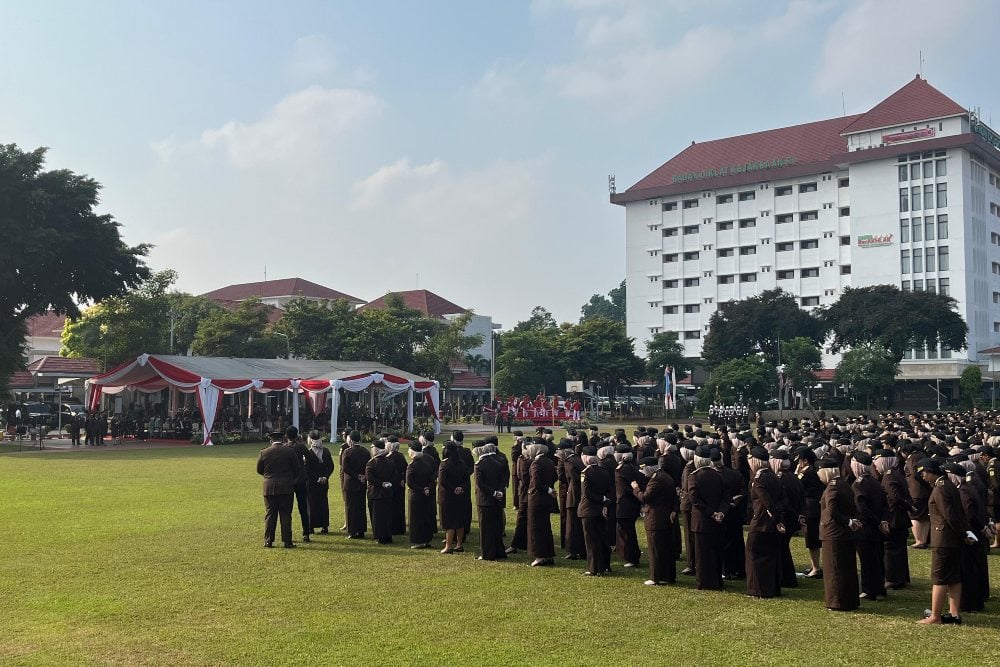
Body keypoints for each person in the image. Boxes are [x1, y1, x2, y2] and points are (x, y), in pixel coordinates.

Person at [917, 458, 976, 625]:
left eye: (924, 472)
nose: (923, 476)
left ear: (930, 472)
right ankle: (954, 613)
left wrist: (963, 534)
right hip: (952, 539)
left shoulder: (940, 489)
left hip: (943, 539)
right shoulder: (947, 485)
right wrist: (964, 534)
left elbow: (949, 515)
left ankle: (935, 615)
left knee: (940, 578)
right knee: (954, 577)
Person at [818, 457, 862, 611]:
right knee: (846, 567)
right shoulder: (844, 484)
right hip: (844, 533)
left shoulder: (832, 487)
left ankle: (837, 601)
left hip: (834, 532)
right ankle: (849, 599)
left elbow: (832, 511)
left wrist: (848, 522)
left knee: (834, 568)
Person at [745, 447, 785, 599]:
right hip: (772, 523)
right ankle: (772, 588)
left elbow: (766, 501)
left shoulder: (759, 478)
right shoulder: (774, 476)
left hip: (761, 522)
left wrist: (776, 518)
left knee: (754, 555)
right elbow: (783, 499)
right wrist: (779, 519)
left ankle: (757, 589)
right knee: (771, 556)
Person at [851, 451, 890, 600]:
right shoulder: (876, 482)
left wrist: (878, 521)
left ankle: (869, 590)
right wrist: (883, 520)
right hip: (878, 527)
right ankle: (879, 588)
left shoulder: (858, 485)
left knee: (867, 561)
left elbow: (862, 509)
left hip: (865, 528)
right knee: (878, 559)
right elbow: (885, 504)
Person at [633, 457, 678, 585]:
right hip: (666, 517)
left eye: (643, 468)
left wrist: (636, 488)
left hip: (656, 518)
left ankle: (655, 577)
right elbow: (674, 497)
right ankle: (668, 576)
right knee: (666, 549)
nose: (643, 471)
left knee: (655, 549)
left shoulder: (656, 480)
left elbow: (645, 497)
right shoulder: (666, 476)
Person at [689, 445, 727, 590]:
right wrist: (721, 512)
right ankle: (717, 580)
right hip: (718, 519)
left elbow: (695, 500)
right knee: (716, 552)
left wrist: (711, 513)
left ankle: (704, 582)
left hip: (702, 520)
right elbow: (726, 496)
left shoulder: (694, 476)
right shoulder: (718, 474)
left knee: (702, 554)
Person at [257, 432, 303, 548]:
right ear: (283, 439)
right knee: (286, 514)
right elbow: (297, 469)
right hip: (286, 486)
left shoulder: (264, 452)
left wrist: (269, 476)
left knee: (270, 514)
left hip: (269, 486)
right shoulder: (289, 451)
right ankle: (287, 541)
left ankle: (268, 541)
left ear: (271, 441)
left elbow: (259, 469)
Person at [874, 448, 912, 589]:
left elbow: (895, 498)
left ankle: (893, 578)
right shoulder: (896, 473)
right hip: (899, 516)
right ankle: (901, 576)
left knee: (891, 549)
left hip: (893, 517)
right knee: (899, 548)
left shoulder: (888, 476)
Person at [578, 445, 613, 576]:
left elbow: (586, 493)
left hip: (589, 510)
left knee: (591, 540)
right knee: (603, 538)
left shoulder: (585, 473)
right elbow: (610, 490)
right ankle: (605, 565)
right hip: (602, 509)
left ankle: (594, 568)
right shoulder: (604, 471)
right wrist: (604, 501)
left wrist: (600, 499)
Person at [474, 442, 508, 560]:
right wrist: (499, 491)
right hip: (497, 498)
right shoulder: (498, 462)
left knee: (485, 528)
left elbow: (480, 483)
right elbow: (503, 479)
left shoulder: (479, 465)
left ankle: (487, 553)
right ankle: (499, 550)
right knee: (497, 526)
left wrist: (492, 493)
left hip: (485, 500)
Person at [526, 440, 557, 567]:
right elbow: (555, 476)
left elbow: (536, 482)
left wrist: (547, 488)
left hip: (537, 498)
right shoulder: (549, 461)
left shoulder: (536, 463)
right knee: (545, 526)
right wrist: (549, 487)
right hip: (546, 499)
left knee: (535, 527)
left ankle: (540, 555)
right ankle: (548, 554)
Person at [795, 446, 824, 579]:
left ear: (805, 460)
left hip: (810, 507)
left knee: (812, 539)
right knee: (811, 539)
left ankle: (816, 567)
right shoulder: (813, 470)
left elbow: (796, 485)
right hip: (813, 506)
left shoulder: (807, 472)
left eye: (799, 460)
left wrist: (796, 473)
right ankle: (814, 566)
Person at [438, 441, 471, 553]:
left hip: (448, 496)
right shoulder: (462, 463)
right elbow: (466, 479)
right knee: (460, 521)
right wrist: (460, 488)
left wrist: (453, 489)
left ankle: (448, 546)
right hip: (460, 495)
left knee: (449, 522)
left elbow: (443, 481)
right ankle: (459, 544)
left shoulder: (444, 464)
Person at [614, 443, 643, 569]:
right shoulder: (633, 467)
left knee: (626, 532)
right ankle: (629, 555)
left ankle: (631, 557)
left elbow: (624, 489)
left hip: (624, 504)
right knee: (627, 530)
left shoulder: (621, 470)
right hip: (633, 503)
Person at [284, 426, 312, 543]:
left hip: (288, 481)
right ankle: (306, 533)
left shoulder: (285, 448)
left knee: (287, 510)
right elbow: (310, 457)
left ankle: (287, 534)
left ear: (286, 436)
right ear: (297, 435)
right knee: (303, 508)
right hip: (300, 480)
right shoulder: (300, 446)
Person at [405, 441, 435, 549]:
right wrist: (427, 488)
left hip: (416, 495)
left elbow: (410, 483)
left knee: (415, 519)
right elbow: (432, 480)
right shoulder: (427, 464)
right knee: (425, 517)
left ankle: (417, 541)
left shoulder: (411, 466)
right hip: (426, 494)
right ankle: (426, 539)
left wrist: (421, 489)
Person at [365, 440, 396, 544]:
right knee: (387, 515)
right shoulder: (390, 462)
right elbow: (395, 475)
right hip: (387, 492)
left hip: (375, 493)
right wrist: (389, 483)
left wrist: (381, 483)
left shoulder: (371, 463)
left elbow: (369, 477)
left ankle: (379, 536)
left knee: (377, 516)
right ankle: (388, 535)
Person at [304, 430, 334, 534]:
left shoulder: (308, 453)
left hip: (312, 484)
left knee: (311, 505)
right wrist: (325, 477)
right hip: (324, 483)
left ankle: (311, 527)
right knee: (323, 504)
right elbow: (331, 466)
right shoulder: (326, 451)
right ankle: (324, 526)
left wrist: (317, 479)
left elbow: (307, 470)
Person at [341, 430, 370, 539]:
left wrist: (356, 476)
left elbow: (345, 468)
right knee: (361, 507)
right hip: (362, 482)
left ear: (351, 440)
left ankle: (352, 531)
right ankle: (361, 530)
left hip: (350, 482)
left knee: (350, 507)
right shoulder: (366, 452)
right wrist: (362, 476)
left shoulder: (347, 452)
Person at [560, 441, 586, 560]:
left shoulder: (568, 462)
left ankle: (573, 550)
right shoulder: (577, 459)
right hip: (579, 494)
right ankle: (581, 549)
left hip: (573, 495)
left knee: (572, 525)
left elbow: (573, 479)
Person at [385, 436, 408, 535]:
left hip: (392, 485)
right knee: (400, 506)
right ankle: (401, 527)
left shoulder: (389, 458)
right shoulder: (401, 456)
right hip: (400, 485)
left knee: (391, 507)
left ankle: (393, 528)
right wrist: (403, 480)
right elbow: (406, 469)